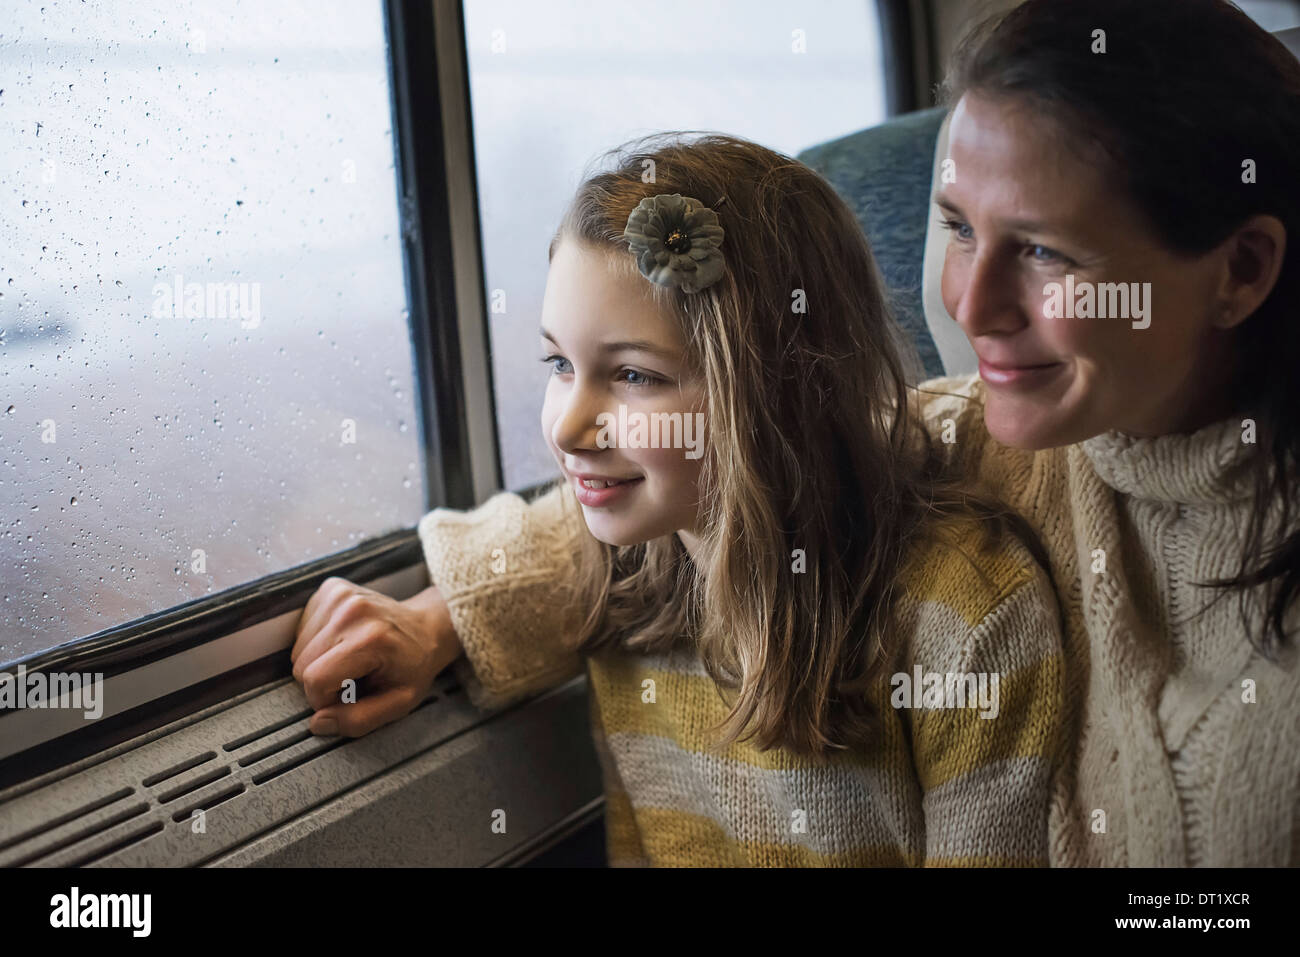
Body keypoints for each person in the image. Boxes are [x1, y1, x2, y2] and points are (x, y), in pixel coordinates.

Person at [299, 0, 1300, 866]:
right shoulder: (982, 436)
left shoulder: (976, 584)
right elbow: (740, 467)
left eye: (1042, 249)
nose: (970, 302)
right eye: (955, 226)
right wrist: (438, 616)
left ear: (1242, 271)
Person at [293, 132, 1065, 866]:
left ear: (781, 388)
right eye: (559, 362)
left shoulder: (965, 620)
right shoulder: (623, 589)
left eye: (635, 375)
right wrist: (434, 614)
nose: (566, 425)